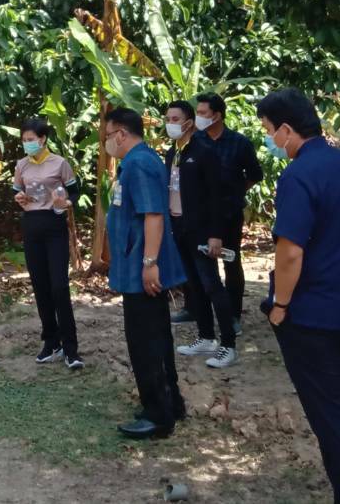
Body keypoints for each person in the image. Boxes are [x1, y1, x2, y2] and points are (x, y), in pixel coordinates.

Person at [258, 88, 340, 504]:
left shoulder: (299, 174)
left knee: (333, 418)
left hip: (313, 315)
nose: (271, 139)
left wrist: (280, 306)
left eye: (270, 131)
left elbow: (290, 251)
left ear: (288, 130)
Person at [104, 106, 188, 440]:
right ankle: (171, 403)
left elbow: (153, 214)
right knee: (158, 336)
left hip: (142, 269)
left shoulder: (139, 164)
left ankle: (158, 415)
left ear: (121, 134)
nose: (108, 142)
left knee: (145, 341)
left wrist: (149, 263)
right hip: (137, 265)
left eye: (109, 136)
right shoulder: (142, 160)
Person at [161, 100, 239, 368]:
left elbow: (217, 196)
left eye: (174, 119)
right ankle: (206, 336)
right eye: (167, 118)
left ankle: (228, 343)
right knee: (193, 285)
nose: (169, 123)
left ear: (189, 123)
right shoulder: (174, 152)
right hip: (178, 225)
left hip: (202, 230)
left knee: (212, 284)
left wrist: (215, 234)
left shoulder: (205, 151)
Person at [12, 117, 84, 369]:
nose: (27, 144)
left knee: (59, 287)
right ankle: (51, 341)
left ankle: (71, 348)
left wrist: (66, 203)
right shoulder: (22, 165)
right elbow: (16, 190)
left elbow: (75, 190)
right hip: (31, 225)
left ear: (42, 139)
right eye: (24, 140)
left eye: (30, 140)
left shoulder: (59, 163)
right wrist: (19, 197)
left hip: (54, 226)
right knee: (40, 287)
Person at [196, 91, 262, 329]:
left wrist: (236, 191)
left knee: (231, 261)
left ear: (217, 116)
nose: (198, 117)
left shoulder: (239, 143)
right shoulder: (196, 141)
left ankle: (233, 315)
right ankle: (198, 310)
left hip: (229, 213)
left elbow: (255, 175)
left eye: (203, 113)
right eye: (197, 113)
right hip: (201, 213)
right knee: (201, 261)